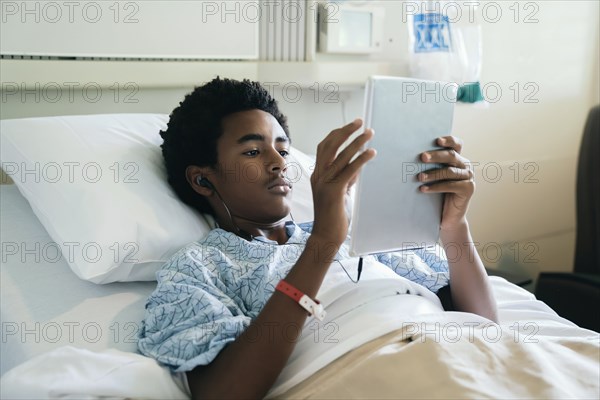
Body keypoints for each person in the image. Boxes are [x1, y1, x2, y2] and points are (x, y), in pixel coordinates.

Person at [138, 77, 498, 399]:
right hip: (370, 370)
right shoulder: (200, 267)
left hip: (465, 353)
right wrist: (324, 241)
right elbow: (223, 392)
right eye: (252, 151)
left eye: (282, 149)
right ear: (203, 180)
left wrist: (454, 228)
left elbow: (485, 322)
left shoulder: (360, 234)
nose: (279, 162)